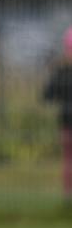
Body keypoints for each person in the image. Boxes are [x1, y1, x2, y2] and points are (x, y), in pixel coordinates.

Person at [43, 26, 72, 206]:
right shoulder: (62, 72)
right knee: (69, 161)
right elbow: (48, 95)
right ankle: (69, 198)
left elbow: (48, 96)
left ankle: (68, 197)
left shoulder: (62, 72)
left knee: (69, 161)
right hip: (67, 123)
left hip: (66, 122)